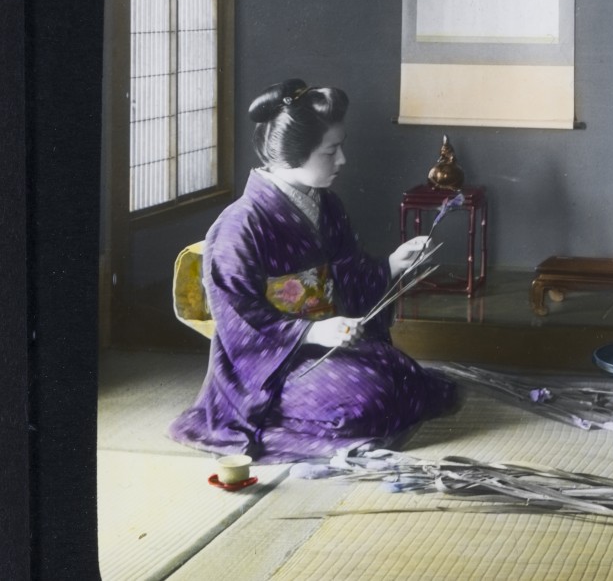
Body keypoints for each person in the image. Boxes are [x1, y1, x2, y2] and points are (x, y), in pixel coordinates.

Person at [168, 78, 459, 464]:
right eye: (332, 150)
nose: (342, 161)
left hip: (324, 346)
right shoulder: (240, 225)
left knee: (405, 378)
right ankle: (272, 422)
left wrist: (390, 266)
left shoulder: (327, 206)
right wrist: (312, 330)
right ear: (293, 154)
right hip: (268, 367)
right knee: (366, 403)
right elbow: (239, 320)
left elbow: (347, 273)